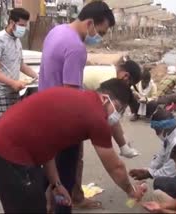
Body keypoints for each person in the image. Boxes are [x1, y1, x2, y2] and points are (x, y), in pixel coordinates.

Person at [0, 78, 146, 213]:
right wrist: (131, 191)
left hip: (5, 145)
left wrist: (56, 184)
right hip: (8, 152)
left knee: (36, 204)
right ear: (105, 98)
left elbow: (49, 148)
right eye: (117, 109)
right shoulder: (96, 116)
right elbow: (115, 167)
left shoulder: (80, 102)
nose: (116, 116)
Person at [38, 1, 116, 210]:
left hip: (43, 111)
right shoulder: (76, 47)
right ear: (90, 23)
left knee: (48, 171)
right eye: (100, 31)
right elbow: (71, 97)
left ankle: (45, 205)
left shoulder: (57, 31)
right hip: (62, 123)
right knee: (64, 177)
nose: (100, 37)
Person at [0, 8, 38, 124]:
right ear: (11, 22)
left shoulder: (17, 41)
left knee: (13, 125)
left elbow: (21, 64)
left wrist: (37, 76)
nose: (23, 29)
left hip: (14, 91)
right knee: (1, 127)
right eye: (21, 25)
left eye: (25, 26)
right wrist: (13, 83)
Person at [83, 59, 142, 158]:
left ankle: (124, 147)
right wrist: (122, 145)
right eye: (129, 84)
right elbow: (111, 116)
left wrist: (124, 141)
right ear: (126, 76)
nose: (127, 87)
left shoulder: (110, 71)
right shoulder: (110, 80)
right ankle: (124, 148)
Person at [129, 107, 176, 198]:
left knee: (160, 183)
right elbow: (162, 155)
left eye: (157, 130)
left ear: (165, 128)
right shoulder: (171, 134)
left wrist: (149, 174)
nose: (156, 133)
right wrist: (147, 170)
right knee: (159, 175)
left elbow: (169, 172)